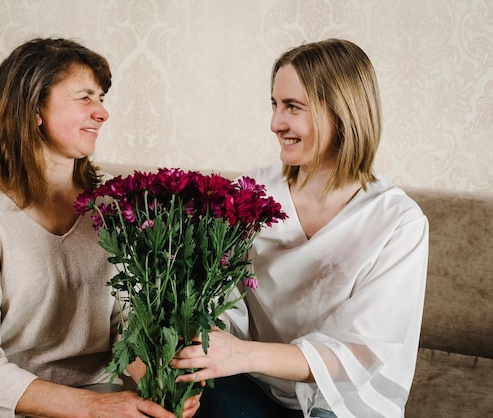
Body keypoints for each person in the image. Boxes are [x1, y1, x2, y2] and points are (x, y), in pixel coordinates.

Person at [0, 37, 199, 418]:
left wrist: (161, 380)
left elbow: (123, 325)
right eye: (85, 97)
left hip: (93, 387)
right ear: (34, 108)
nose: (102, 112)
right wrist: (96, 408)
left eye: (102, 98)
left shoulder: (107, 208)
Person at [172, 38, 429, 418]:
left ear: (343, 113)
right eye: (275, 105)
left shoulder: (398, 222)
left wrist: (241, 354)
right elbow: (217, 297)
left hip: (339, 399)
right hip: (250, 382)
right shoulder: (251, 193)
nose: (276, 123)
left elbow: (359, 352)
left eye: (293, 107)